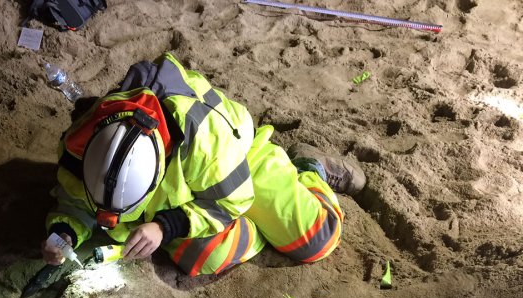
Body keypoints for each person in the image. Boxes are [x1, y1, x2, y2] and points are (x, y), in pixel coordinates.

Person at [42, 52, 365, 276]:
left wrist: (165, 226)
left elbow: (234, 200)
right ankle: (264, 228)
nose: (111, 220)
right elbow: (74, 201)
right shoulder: (77, 150)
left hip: (239, 169)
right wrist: (64, 233)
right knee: (206, 256)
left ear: (160, 166)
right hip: (186, 195)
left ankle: (309, 167)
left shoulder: (204, 141)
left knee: (316, 242)